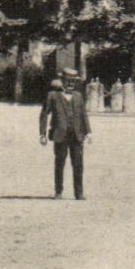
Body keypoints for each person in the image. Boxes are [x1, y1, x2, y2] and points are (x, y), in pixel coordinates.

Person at [39, 69, 91, 200]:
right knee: (59, 163)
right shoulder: (52, 96)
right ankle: (58, 191)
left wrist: (88, 132)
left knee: (78, 164)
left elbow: (83, 115)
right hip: (60, 134)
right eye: (68, 81)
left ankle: (79, 193)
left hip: (77, 135)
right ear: (62, 81)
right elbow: (44, 114)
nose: (70, 84)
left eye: (73, 82)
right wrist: (42, 134)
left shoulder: (78, 96)